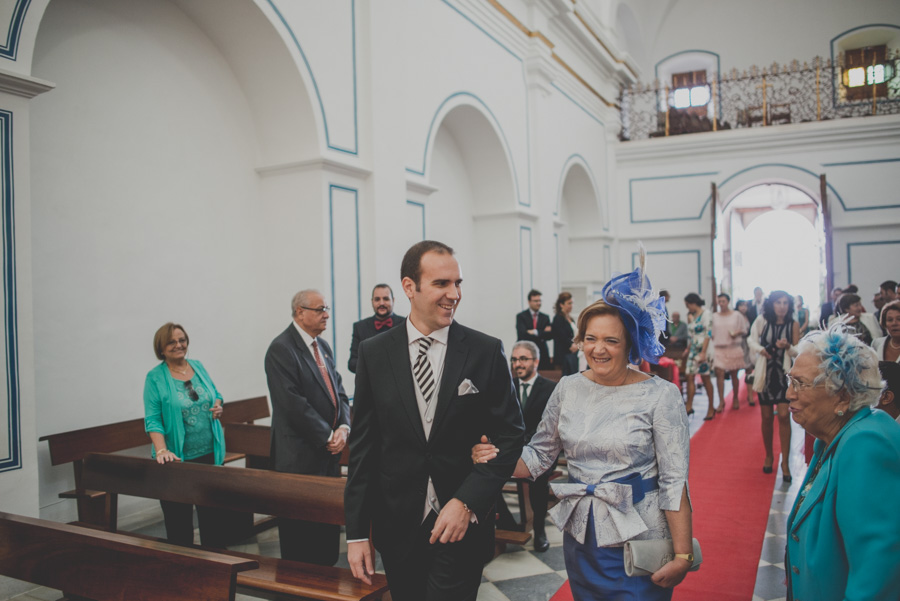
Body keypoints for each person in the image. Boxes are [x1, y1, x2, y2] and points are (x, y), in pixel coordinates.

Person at [473, 260, 693, 600]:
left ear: (631, 344)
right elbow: (539, 455)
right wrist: (495, 456)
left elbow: (674, 481)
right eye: (590, 338)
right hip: (583, 537)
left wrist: (682, 555)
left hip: (640, 538)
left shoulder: (661, 395)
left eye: (611, 340)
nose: (597, 349)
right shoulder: (568, 388)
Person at [344, 240, 524, 601]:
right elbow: (363, 447)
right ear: (409, 287)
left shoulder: (485, 350)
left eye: (457, 283)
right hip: (397, 523)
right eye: (441, 284)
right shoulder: (374, 353)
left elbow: (511, 435)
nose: (454, 294)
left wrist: (467, 501)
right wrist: (358, 533)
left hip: (463, 524)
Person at [785, 326, 900, 600]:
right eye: (790, 380)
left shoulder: (864, 444)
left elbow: (876, 570)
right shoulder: (831, 437)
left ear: (843, 397)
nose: (789, 393)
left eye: (800, 383)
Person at [265, 289, 351, 565]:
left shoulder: (322, 346)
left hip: (327, 454)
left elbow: (339, 391)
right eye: (320, 309)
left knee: (326, 527)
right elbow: (292, 403)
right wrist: (327, 435)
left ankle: (326, 576)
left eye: (327, 309)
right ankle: (299, 583)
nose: (326, 315)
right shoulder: (282, 349)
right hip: (299, 456)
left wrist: (344, 427)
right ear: (300, 312)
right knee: (300, 536)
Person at [143, 322, 228, 547]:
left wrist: (218, 405)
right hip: (177, 459)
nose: (178, 345)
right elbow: (153, 419)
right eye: (171, 342)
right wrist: (161, 450)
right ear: (161, 348)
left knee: (213, 521)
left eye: (182, 340)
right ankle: (184, 566)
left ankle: (215, 564)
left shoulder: (197, 366)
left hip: (210, 454)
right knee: (179, 525)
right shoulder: (155, 378)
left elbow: (215, 393)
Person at [494, 340, 557, 552]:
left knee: (539, 479)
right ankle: (507, 525)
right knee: (485, 473)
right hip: (510, 449)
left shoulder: (550, 389)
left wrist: (525, 447)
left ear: (536, 361)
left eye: (523, 359)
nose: (517, 364)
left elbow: (548, 427)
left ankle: (539, 529)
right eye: (514, 359)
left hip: (541, 450)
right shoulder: (506, 386)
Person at [748, 290, 799, 482]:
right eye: (778, 302)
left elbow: (798, 351)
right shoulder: (762, 320)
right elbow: (751, 340)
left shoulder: (793, 324)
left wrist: (788, 347)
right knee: (767, 417)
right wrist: (762, 350)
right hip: (766, 374)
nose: (782, 306)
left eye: (785, 303)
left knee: (784, 416)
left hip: (784, 375)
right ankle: (769, 455)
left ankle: (785, 461)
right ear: (772, 304)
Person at [348, 283, 405, 372]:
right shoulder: (360, 327)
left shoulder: (405, 324)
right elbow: (352, 363)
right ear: (372, 302)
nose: (381, 303)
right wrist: (375, 364)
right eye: (377, 299)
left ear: (393, 300)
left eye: (386, 299)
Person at [711, 294, 748, 411]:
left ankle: (735, 397)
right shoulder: (714, 316)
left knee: (734, 375)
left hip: (733, 347)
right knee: (719, 373)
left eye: (723, 301)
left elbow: (744, 330)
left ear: (728, 302)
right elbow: (711, 332)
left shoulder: (736, 315)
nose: (721, 304)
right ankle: (721, 401)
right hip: (719, 348)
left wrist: (736, 333)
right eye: (719, 301)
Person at [683, 293, 714, 418]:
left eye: (687, 305)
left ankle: (711, 407)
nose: (687, 308)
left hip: (703, 349)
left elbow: (708, 333)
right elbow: (692, 335)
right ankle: (689, 406)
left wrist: (703, 352)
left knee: (705, 378)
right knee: (689, 376)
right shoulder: (692, 316)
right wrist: (688, 348)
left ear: (693, 303)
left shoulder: (706, 314)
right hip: (693, 350)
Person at [515, 289, 553, 370]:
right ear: (529, 302)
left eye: (540, 301)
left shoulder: (545, 317)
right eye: (536, 301)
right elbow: (522, 335)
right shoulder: (521, 316)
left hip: (542, 354)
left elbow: (550, 336)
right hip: (526, 352)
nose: (538, 303)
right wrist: (542, 333)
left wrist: (535, 332)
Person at [735, 300, 757, 406]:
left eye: (745, 305)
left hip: (747, 344)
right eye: (741, 305)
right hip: (737, 344)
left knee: (749, 370)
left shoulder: (750, 317)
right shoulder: (734, 317)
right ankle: (735, 396)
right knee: (735, 371)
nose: (743, 307)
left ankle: (750, 395)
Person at [552, 291, 579, 376]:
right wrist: (571, 345)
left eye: (572, 303)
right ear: (561, 305)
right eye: (569, 303)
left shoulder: (570, 318)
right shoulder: (558, 318)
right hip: (563, 355)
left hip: (572, 354)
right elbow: (562, 336)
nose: (571, 305)